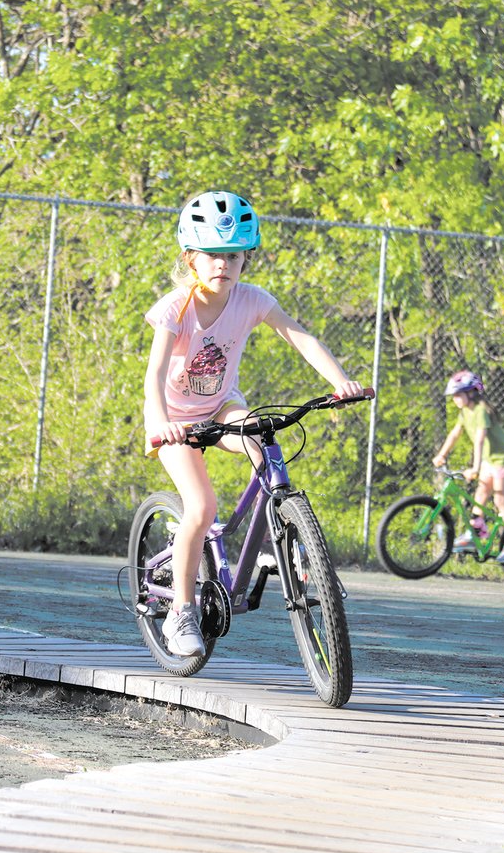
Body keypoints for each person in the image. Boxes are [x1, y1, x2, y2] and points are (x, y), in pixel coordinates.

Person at [144, 190, 365, 659]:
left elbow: (300, 337)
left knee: (266, 447)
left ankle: (280, 542)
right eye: (212, 255)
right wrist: (163, 423)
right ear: (191, 258)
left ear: (247, 258)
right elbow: (155, 374)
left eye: (233, 255)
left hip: (222, 408)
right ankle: (180, 611)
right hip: (175, 421)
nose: (223, 264)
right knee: (201, 507)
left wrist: (341, 381)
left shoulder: (253, 300)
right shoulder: (175, 308)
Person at [432, 370, 504, 563]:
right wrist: (441, 454)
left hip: (502, 460)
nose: (455, 399)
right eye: (454, 396)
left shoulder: (481, 410)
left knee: (500, 501)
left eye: (458, 395)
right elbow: (455, 434)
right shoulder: (465, 412)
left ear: (471, 393)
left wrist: (475, 468)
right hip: (489, 461)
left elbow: (480, 440)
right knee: (480, 497)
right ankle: (475, 534)